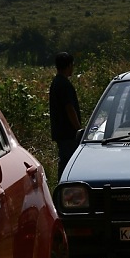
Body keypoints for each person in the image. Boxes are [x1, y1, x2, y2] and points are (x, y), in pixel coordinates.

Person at [49, 51, 82, 179]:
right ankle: (64, 185)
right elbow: (69, 108)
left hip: (60, 131)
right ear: (68, 65)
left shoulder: (56, 82)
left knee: (65, 160)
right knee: (68, 162)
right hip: (68, 132)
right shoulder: (64, 84)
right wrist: (78, 129)